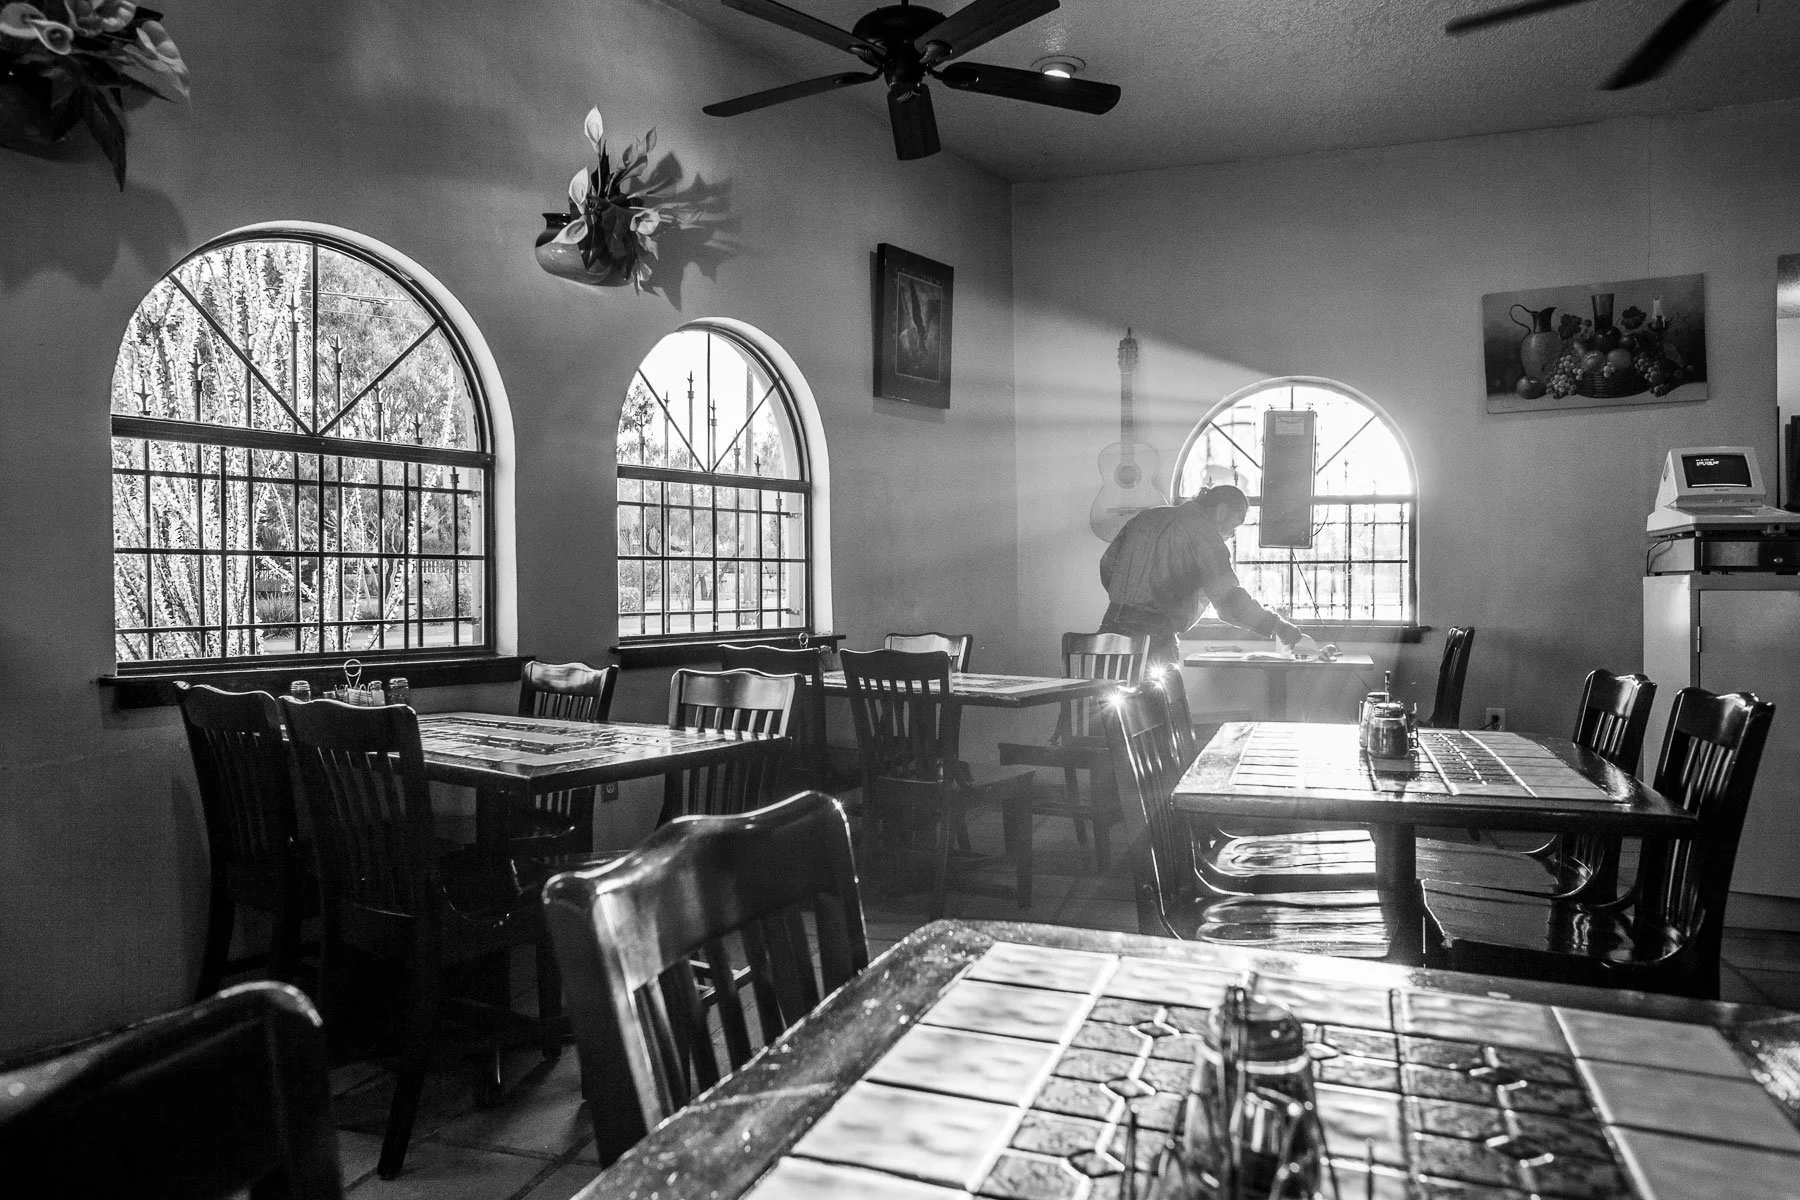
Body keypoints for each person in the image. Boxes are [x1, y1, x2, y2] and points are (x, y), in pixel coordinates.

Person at [1099, 485, 1319, 668]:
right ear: (1221, 511)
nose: (1232, 533)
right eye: (1236, 523)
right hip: (1154, 638)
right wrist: (1276, 625)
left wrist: (1129, 596)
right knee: (1160, 713)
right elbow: (1228, 600)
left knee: (1108, 710)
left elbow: (1107, 566)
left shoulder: (1147, 517)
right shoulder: (1203, 534)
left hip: (1108, 631)